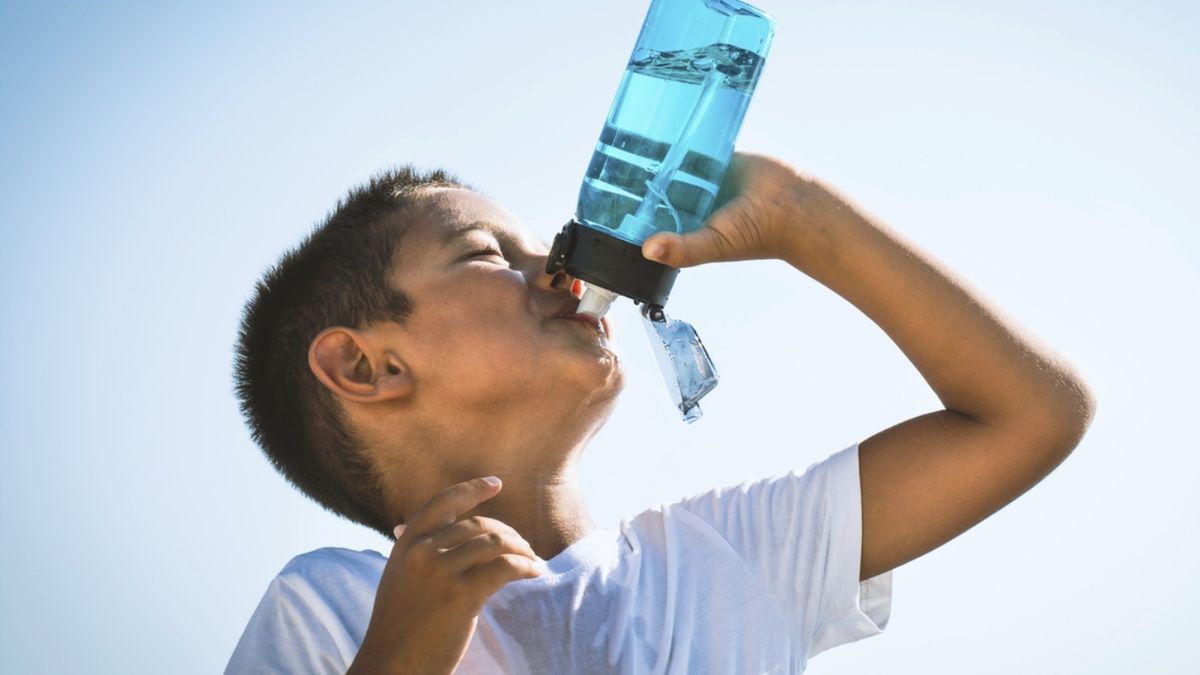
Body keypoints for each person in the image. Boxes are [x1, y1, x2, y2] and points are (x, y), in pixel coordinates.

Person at [226, 153, 1096, 674]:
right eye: (489, 254)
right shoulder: (335, 609)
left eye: (549, 248)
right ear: (366, 365)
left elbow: (1030, 414)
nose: (564, 268)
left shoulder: (730, 558)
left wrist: (798, 217)